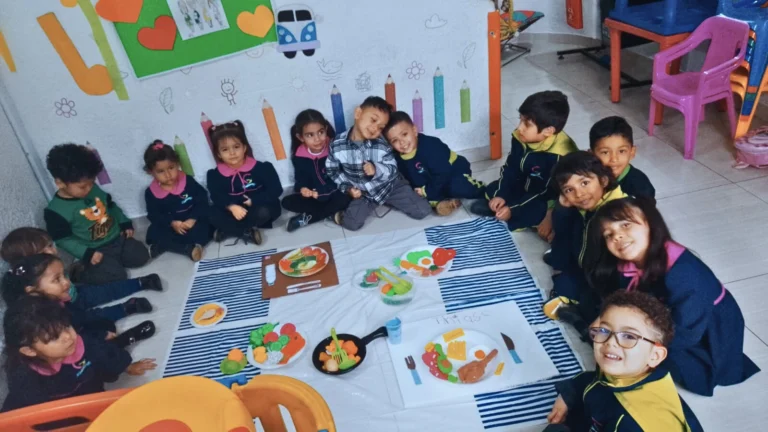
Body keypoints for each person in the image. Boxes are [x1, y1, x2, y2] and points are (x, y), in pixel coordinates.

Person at [585, 197, 760, 396]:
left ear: (651, 222)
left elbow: (688, 332)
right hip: (672, 313)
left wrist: (645, 346)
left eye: (626, 225)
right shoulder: (628, 264)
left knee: (658, 357)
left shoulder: (684, 274)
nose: (617, 236)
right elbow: (627, 299)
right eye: (609, 234)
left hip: (705, 329)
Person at [545, 290, 703, 432]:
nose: (610, 342)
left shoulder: (634, 422)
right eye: (604, 330)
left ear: (655, 355)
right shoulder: (630, 371)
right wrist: (568, 394)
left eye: (629, 336)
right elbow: (596, 380)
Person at [1, 296, 157, 412]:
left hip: (87, 387)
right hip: (57, 404)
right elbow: (38, 412)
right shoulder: (22, 375)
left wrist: (126, 366)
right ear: (30, 350)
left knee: (101, 353)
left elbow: (106, 355)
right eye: (55, 337)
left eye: (67, 327)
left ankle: (123, 339)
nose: (68, 337)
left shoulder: (80, 344)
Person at [543, 151, 627, 335]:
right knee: (562, 278)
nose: (579, 194)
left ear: (603, 181)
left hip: (612, 284)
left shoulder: (620, 216)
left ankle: (583, 321)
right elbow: (563, 240)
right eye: (569, 189)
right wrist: (562, 210)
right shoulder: (584, 209)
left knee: (600, 315)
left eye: (584, 183)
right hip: (587, 271)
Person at [470, 90, 577, 234]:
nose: (519, 127)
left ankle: (511, 214)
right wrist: (501, 194)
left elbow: (545, 193)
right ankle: (504, 207)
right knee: (493, 189)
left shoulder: (559, 155)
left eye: (526, 124)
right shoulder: (521, 136)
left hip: (547, 198)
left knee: (536, 210)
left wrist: (513, 209)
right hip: (526, 184)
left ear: (548, 131)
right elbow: (511, 168)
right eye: (520, 119)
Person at [43, 143, 150, 285]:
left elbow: (111, 206)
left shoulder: (93, 189)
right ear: (60, 183)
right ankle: (79, 272)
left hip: (117, 239)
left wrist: (124, 223)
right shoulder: (56, 211)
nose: (89, 188)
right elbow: (63, 240)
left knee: (141, 256)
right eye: (82, 186)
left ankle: (112, 263)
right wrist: (86, 253)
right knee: (117, 276)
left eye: (92, 182)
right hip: (94, 250)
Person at [2, 253, 158, 348]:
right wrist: (99, 335)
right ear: (33, 292)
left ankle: (133, 296)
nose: (67, 283)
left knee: (101, 320)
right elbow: (75, 341)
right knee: (98, 347)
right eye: (57, 279)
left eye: (64, 276)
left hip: (77, 324)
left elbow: (81, 318)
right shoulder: (42, 323)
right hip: (76, 351)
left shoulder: (55, 303)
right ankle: (126, 339)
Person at [326, 96, 431, 230]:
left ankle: (392, 200)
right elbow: (332, 170)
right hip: (365, 193)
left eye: (381, 127)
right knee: (351, 223)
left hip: (390, 186)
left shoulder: (382, 144)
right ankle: (337, 215)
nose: (375, 128)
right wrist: (347, 188)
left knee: (423, 210)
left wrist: (377, 169)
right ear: (358, 113)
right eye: (373, 120)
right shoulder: (337, 145)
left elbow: (392, 168)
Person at [384, 111, 485, 216]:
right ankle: (450, 202)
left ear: (414, 130)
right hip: (430, 180)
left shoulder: (430, 146)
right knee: (421, 197)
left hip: (452, 171)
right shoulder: (397, 158)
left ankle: (482, 190)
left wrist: (427, 191)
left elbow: (444, 173)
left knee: (457, 186)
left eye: (404, 134)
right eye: (395, 140)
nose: (402, 142)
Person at [206, 120, 282, 244]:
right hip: (232, 212)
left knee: (265, 211)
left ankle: (230, 230)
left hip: (257, 208)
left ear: (244, 147)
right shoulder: (214, 175)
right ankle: (247, 231)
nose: (232, 153)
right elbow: (216, 196)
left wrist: (254, 201)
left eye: (236, 147)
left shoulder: (262, 168)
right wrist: (231, 206)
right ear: (219, 154)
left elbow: (276, 190)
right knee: (210, 213)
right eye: (225, 149)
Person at [281, 109, 352, 232]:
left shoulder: (334, 147)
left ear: (325, 129)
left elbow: (344, 174)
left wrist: (327, 190)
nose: (317, 139)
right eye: (310, 135)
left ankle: (308, 218)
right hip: (315, 195)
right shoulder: (299, 155)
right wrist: (303, 189)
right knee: (286, 202)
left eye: (321, 132)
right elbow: (300, 179)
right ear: (300, 137)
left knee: (346, 198)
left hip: (335, 191)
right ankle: (330, 213)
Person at [143, 140, 211, 260]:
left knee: (208, 224)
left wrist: (192, 218)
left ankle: (169, 247)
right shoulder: (151, 192)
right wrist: (172, 223)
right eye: (161, 171)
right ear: (150, 172)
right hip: (172, 226)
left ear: (177, 164)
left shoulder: (187, 181)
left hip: (192, 222)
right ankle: (185, 248)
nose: (168, 174)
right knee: (153, 233)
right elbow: (154, 215)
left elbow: (202, 199)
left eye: (171, 168)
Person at [589, 116, 655, 201]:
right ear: (591, 155)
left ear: (632, 152)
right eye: (605, 152)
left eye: (621, 151)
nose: (614, 159)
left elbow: (647, 212)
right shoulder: (587, 176)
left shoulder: (640, 186)